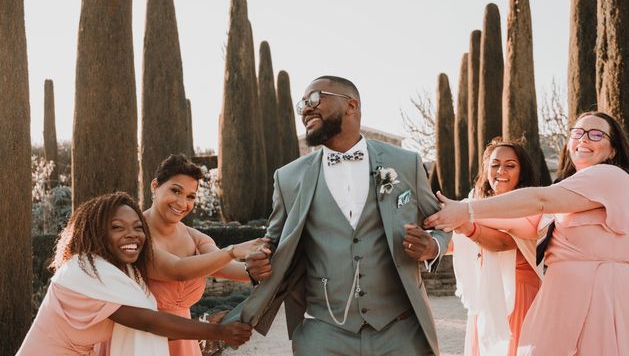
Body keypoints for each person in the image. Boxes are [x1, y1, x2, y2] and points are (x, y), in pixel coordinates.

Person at [224, 75, 451, 355]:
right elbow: (271, 245)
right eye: (302, 104)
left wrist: (432, 246)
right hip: (323, 335)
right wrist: (257, 265)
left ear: (351, 105)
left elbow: (440, 222)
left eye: (315, 98)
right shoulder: (288, 178)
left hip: (402, 332)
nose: (306, 109)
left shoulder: (406, 163)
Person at [425, 111, 629, 355]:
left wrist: (466, 210)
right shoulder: (571, 189)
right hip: (563, 292)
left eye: (596, 134)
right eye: (578, 133)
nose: (584, 139)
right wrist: (449, 217)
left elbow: (539, 200)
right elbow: (523, 223)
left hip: (599, 290)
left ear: (612, 150)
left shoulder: (610, 175)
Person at [17, 192, 252, 356]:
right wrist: (218, 332)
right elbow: (148, 322)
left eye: (138, 227)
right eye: (117, 227)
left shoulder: (128, 274)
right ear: (95, 233)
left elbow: (146, 329)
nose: (132, 235)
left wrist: (205, 324)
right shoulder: (82, 271)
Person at [144, 154, 266, 356]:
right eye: (176, 191)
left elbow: (223, 266)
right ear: (155, 186)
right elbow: (178, 270)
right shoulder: (135, 234)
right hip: (144, 341)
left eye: (191, 196)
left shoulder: (195, 237)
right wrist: (233, 250)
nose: (182, 203)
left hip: (184, 344)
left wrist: (264, 268)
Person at [448, 139, 544, 356]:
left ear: (522, 171)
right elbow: (456, 245)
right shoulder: (473, 204)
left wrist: (466, 225)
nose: (501, 170)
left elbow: (502, 242)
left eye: (510, 165)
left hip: (521, 295)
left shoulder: (531, 205)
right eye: (495, 164)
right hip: (486, 294)